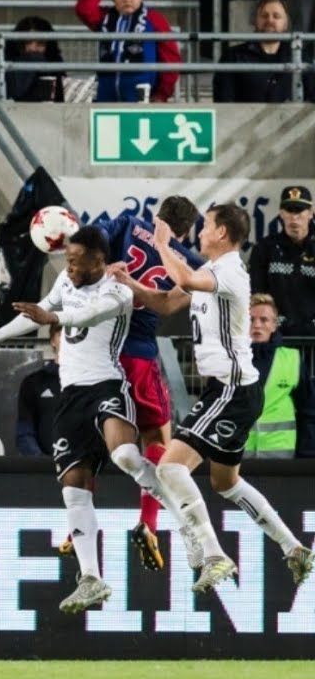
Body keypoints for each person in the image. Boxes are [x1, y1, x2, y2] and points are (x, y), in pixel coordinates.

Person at [0, 226, 184, 613]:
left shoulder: (118, 290)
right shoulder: (66, 279)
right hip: (71, 396)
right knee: (74, 489)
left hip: (107, 386)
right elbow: (37, 312)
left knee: (125, 455)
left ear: (99, 261)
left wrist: (53, 315)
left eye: (77, 261)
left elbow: (88, 314)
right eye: (68, 260)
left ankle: (185, 518)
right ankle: (91, 578)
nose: (70, 267)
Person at [110, 204, 313, 593]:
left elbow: (184, 276)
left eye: (206, 226)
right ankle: (295, 548)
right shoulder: (211, 272)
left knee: (170, 469)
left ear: (221, 233)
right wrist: (130, 283)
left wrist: (162, 243)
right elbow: (166, 303)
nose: (200, 232)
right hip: (232, 391)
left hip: (230, 391)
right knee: (225, 483)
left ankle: (214, 555)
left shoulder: (229, 270)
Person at [91, 195, 202, 571]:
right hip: (136, 354)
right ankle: (149, 523)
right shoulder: (189, 263)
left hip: (97, 352)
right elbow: (167, 305)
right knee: (157, 439)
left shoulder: (125, 223)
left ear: (157, 216)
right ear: (186, 231)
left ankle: (77, 525)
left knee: (99, 440)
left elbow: (88, 243)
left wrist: (106, 270)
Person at [75, 0, 181, 103]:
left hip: (141, 95)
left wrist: (162, 94)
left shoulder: (154, 19)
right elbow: (83, 9)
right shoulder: (105, 17)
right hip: (106, 94)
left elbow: (171, 58)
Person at [245, 294, 314, 459]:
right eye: (251, 320)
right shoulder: (230, 360)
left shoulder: (292, 359)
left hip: (280, 456)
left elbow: (309, 411)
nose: (257, 325)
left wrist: (307, 454)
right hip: (237, 456)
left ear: (274, 325)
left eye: (264, 320)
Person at [214, 0, 314, 103]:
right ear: (255, 21)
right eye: (264, 16)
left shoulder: (300, 57)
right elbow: (224, 101)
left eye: (276, 16)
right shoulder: (233, 56)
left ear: (286, 24)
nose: (270, 20)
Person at [248, 185, 314, 337]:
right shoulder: (265, 248)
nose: (294, 217)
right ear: (281, 213)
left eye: (299, 211)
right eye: (289, 210)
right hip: (276, 336)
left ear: (310, 213)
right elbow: (256, 294)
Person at [16, 325, 62, 456]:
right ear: (52, 340)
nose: (68, 340)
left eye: (72, 335)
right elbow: (24, 430)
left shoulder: (92, 382)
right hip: (46, 465)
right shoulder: (34, 382)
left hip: (86, 465)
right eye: (62, 335)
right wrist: (40, 461)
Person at [0, 16, 66, 103]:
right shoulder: (3, 60)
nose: (33, 48)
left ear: (49, 45)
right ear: (19, 43)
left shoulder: (55, 62)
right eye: (28, 42)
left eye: (40, 43)